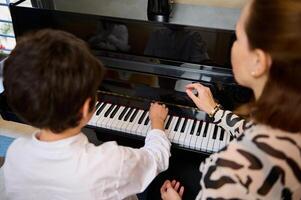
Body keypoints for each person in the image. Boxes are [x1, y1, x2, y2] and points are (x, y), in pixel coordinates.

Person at [2, 29, 170, 200]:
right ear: (85, 108)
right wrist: (156, 122)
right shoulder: (110, 163)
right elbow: (156, 159)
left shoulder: (16, 154)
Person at [160, 0, 301, 199]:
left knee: (173, 171)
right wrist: (215, 110)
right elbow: (255, 132)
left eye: (237, 38)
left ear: (258, 62)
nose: (233, 46)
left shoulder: (233, 173)